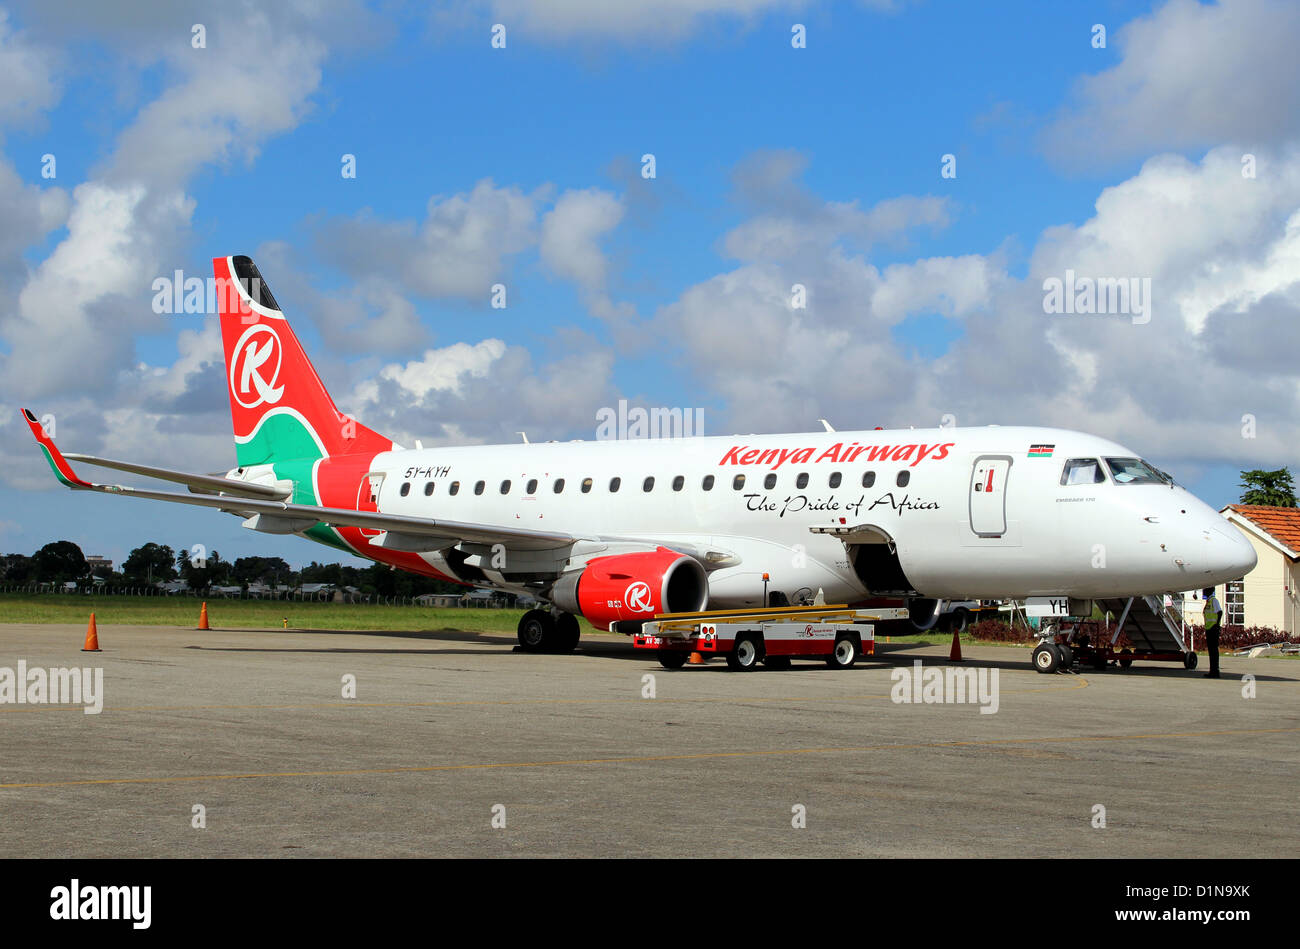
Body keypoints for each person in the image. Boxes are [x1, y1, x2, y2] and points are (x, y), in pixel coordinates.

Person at [1201, 586, 1222, 678]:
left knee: (1214, 650)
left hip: (1213, 628)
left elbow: (1219, 612)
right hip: (1209, 628)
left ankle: (1215, 671)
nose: (1203, 591)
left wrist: (1216, 625)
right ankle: (1212, 671)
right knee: (1211, 650)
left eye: (1205, 589)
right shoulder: (1208, 602)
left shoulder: (1214, 601)